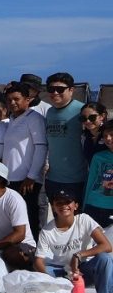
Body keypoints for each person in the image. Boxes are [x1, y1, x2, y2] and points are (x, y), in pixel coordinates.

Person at [35, 189, 113, 293]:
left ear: (75, 205)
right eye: (59, 203)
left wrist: (79, 255)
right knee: (38, 274)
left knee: (105, 259)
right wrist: (52, 282)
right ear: (53, 207)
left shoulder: (84, 220)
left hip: (83, 270)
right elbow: (38, 260)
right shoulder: (47, 231)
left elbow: (106, 246)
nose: (64, 206)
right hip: (61, 272)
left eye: (67, 202)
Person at [3, 82, 48, 236]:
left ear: (27, 100)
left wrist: (32, 176)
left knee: (31, 219)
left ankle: (35, 253)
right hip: (11, 178)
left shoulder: (34, 118)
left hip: (27, 180)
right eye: (9, 100)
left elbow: (41, 147)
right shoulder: (12, 119)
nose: (12, 103)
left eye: (16, 99)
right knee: (15, 218)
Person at [43, 72, 87, 201]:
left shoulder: (81, 110)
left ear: (71, 90)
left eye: (60, 89)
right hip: (52, 178)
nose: (55, 92)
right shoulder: (50, 112)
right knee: (58, 219)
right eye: (51, 89)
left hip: (76, 179)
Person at [81, 121, 113, 226]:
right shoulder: (98, 156)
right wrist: (84, 206)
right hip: (93, 204)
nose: (108, 138)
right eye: (105, 136)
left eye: (112, 135)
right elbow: (91, 181)